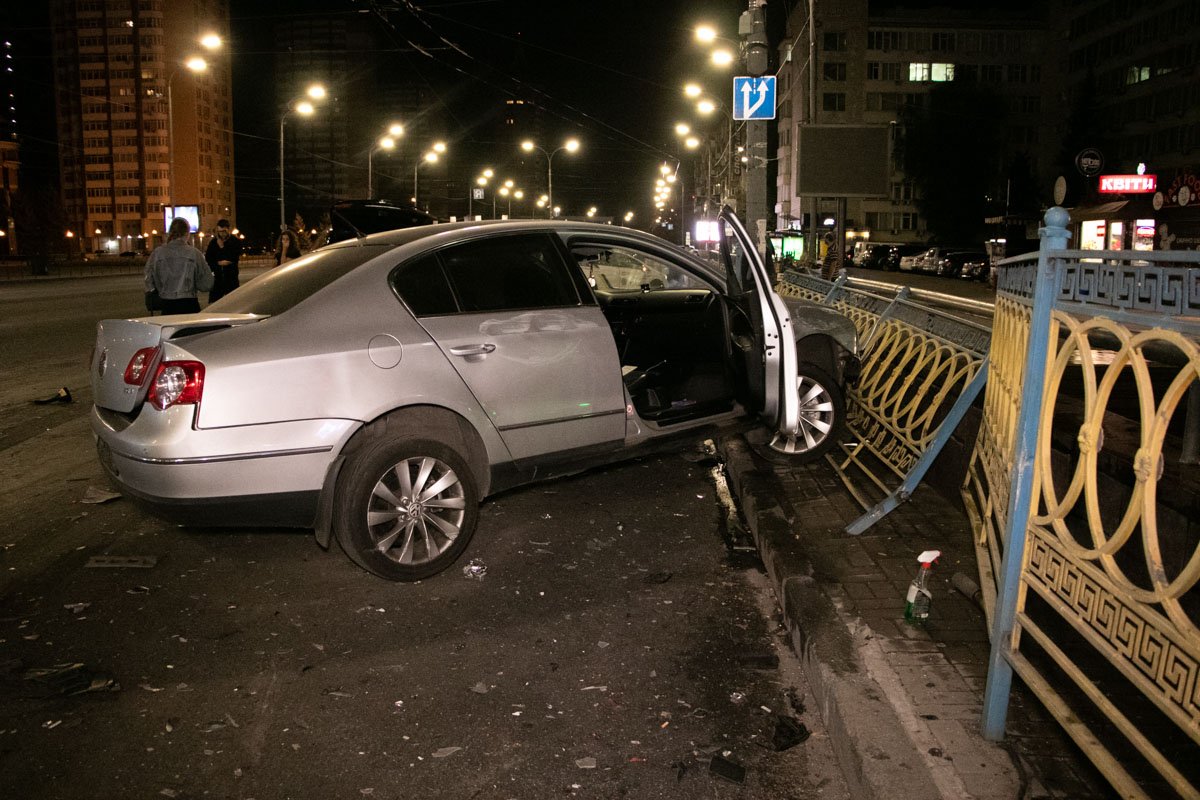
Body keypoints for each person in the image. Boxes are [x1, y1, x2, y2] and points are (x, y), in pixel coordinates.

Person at [144, 217, 213, 315]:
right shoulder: (194, 253)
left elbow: (148, 279)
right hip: (189, 304)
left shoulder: (158, 253)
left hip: (166, 304)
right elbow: (207, 284)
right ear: (186, 233)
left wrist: (159, 289)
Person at [205, 218, 243, 303]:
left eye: (224, 231)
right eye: (219, 231)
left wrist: (222, 247)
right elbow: (208, 258)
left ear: (228, 230)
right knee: (214, 303)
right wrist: (217, 263)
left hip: (231, 278)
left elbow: (233, 257)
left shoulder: (235, 241)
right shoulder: (213, 242)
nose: (222, 234)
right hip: (217, 278)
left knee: (233, 302)